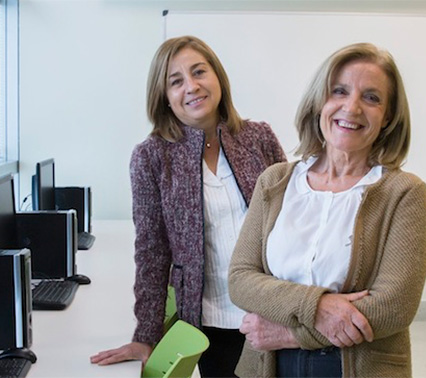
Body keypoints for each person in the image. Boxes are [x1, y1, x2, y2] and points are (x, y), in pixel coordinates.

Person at [228, 42, 426, 378]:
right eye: (339, 91)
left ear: (389, 116)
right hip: (266, 365)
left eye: (371, 97)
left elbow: (394, 306)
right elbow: (241, 279)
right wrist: (318, 306)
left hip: (354, 365)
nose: (351, 108)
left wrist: (293, 334)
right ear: (320, 100)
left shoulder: (404, 192)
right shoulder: (275, 181)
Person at [90, 36, 286, 377]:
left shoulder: (259, 138)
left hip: (275, 315)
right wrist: (146, 334)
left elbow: (294, 221)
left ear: (217, 78)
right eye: (176, 81)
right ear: (164, 96)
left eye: (199, 72)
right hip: (212, 321)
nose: (192, 87)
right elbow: (152, 251)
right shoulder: (151, 157)